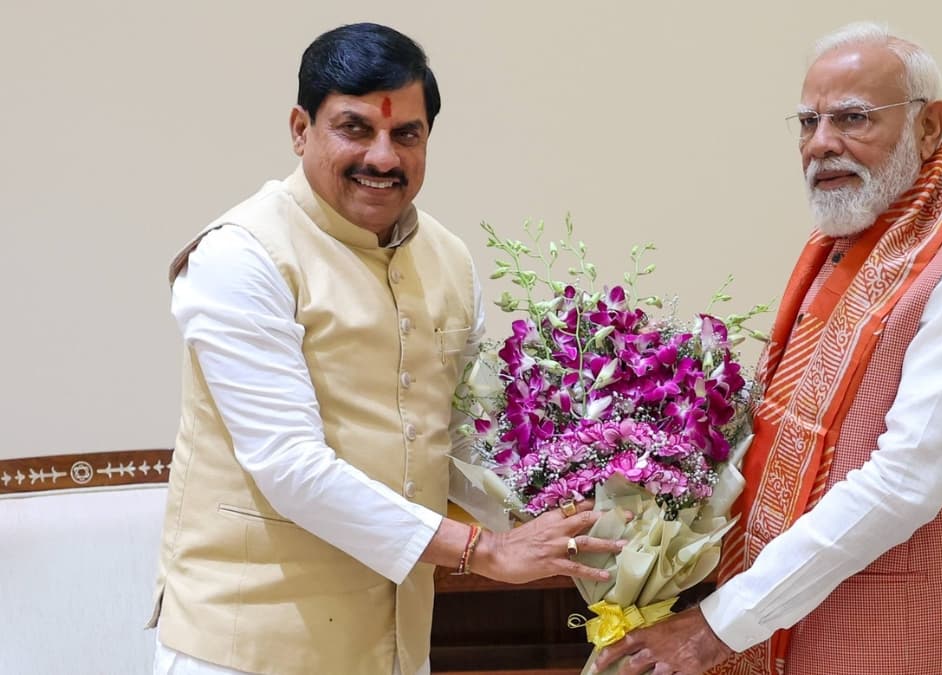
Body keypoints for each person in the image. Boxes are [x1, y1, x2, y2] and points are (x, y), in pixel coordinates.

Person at [148, 22, 621, 675]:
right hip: (247, 649)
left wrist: (588, 512)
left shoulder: (448, 259)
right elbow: (289, 465)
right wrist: (485, 550)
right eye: (354, 128)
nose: (383, 156)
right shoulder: (242, 255)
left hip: (395, 645)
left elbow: (461, 441)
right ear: (299, 129)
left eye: (406, 134)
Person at [595, 21, 942, 675]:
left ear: (930, 126)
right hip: (797, 635)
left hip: (921, 646)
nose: (822, 144)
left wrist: (717, 627)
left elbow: (903, 484)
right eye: (808, 122)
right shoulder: (843, 251)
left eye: (852, 118)